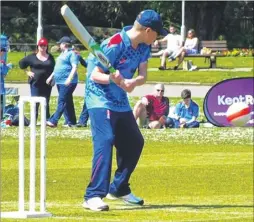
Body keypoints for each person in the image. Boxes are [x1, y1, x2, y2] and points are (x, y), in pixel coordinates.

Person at [83, 9, 167, 211]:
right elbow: (95, 75)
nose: (157, 38)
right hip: (99, 98)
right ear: (148, 30)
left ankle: (119, 188)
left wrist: (133, 82)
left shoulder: (144, 47)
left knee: (135, 141)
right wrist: (112, 78)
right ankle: (93, 195)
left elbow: (143, 75)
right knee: (105, 139)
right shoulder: (114, 44)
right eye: (157, 33)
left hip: (120, 100)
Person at [46, 36, 79, 127]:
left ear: (64, 44)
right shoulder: (62, 54)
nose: (59, 45)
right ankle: (71, 121)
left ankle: (53, 120)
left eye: (60, 43)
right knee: (67, 101)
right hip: (60, 82)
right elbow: (57, 68)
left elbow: (75, 67)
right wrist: (51, 77)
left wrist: (69, 78)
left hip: (67, 82)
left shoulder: (72, 54)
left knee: (62, 101)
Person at [19, 37, 55, 120]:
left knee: (46, 101)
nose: (43, 48)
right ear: (38, 46)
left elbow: (54, 68)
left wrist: (52, 77)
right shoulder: (32, 57)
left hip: (47, 83)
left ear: (47, 47)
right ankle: (33, 120)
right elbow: (21, 64)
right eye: (41, 46)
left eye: (45, 46)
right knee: (35, 102)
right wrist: (27, 72)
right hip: (35, 83)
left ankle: (46, 120)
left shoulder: (50, 57)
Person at [0, 34, 12, 120]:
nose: (4, 52)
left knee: (1, 101)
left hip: (1, 86)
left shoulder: (2, 61)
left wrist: (6, 67)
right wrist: (6, 68)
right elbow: (3, 73)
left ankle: (1, 116)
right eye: (3, 50)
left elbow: (4, 74)